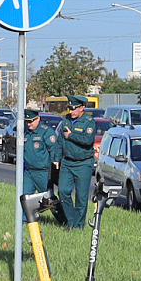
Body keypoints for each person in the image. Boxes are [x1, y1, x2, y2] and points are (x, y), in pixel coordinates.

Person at [55, 95, 97, 227]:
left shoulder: (89, 121)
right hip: (67, 162)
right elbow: (60, 140)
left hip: (83, 163)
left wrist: (71, 135)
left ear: (82, 108)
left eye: (74, 109)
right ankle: (71, 220)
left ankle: (78, 225)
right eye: (69, 108)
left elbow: (88, 140)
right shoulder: (66, 119)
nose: (71, 112)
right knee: (63, 191)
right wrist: (56, 158)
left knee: (81, 197)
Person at [19, 108, 57, 201]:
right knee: (25, 200)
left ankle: (62, 215)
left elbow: (54, 151)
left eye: (31, 121)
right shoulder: (25, 133)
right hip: (29, 172)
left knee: (49, 200)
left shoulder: (46, 132)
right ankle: (26, 216)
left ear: (38, 119)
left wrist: (54, 171)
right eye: (27, 121)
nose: (29, 124)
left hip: (43, 173)